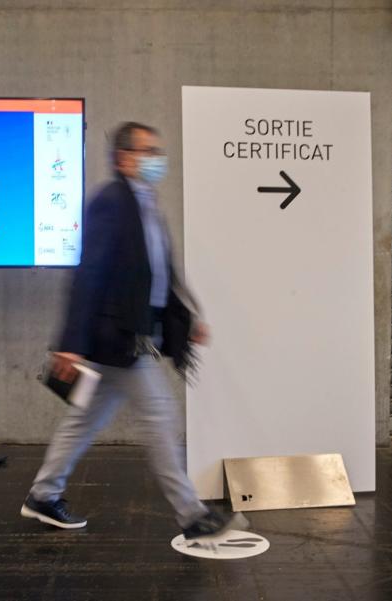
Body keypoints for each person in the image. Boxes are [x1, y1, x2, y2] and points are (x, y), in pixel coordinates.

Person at [21, 122, 245, 540]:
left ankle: (43, 494)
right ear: (124, 158)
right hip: (116, 340)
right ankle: (191, 514)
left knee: (83, 421)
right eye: (148, 151)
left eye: (157, 150)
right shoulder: (112, 201)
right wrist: (70, 345)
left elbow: (155, 277)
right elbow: (89, 273)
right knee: (160, 416)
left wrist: (182, 322)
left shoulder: (146, 203)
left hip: (127, 337)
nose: (157, 158)